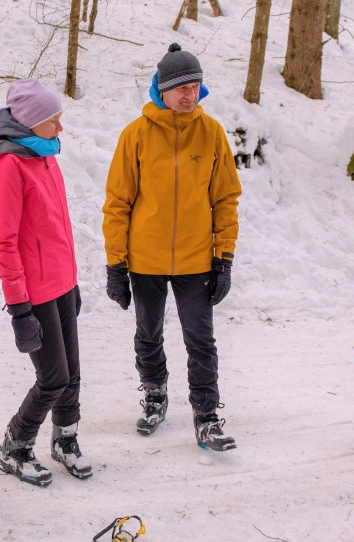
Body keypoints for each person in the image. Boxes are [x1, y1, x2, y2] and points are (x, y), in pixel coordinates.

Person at [102, 43, 241, 452]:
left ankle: (207, 415)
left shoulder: (211, 132)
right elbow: (118, 203)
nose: (189, 94)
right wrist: (116, 265)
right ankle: (155, 395)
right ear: (160, 90)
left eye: (195, 86)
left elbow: (226, 199)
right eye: (181, 87)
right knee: (148, 334)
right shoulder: (136, 135)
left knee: (201, 339)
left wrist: (224, 257)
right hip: (145, 260)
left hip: (197, 260)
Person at [0, 79, 90, 487]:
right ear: (30, 124)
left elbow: (57, 228)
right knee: (53, 378)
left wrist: (73, 281)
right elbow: (5, 244)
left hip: (62, 283)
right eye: (53, 120)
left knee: (73, 372)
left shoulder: (45, 156)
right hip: (34, 293)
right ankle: (15, 444)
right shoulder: (9, 166)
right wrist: (20, 309)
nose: (60, 128)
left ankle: (65, 440)